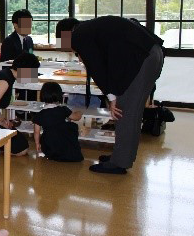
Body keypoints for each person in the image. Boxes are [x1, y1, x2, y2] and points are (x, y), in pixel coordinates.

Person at [55, 16, 164, 174]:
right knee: (131, 113)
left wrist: (112, 98)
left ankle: (119, 163)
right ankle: (121, 156)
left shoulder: (79, 35)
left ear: (65, 34)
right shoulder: (90, 29)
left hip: (141, 59)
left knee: (124, 112)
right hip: (151, 54)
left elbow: (97, 69)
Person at [33, 82, 84, 162]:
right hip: (64, 143)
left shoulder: (40, 114)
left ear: (42, 95)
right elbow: (76, 117)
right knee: (71, 126)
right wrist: (80, 112)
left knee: (48, 136)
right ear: (59, 95)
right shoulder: (63, 109)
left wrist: (37, 144)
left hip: (49, 146)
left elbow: (36, 132)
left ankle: (53, 155)